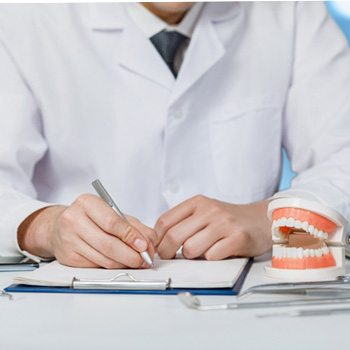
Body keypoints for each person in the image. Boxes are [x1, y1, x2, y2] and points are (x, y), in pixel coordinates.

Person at [0, 2, 349, 268]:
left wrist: (274, 218)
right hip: (71, 307)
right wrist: (44, 227)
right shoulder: (22, 16)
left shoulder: (289, 10)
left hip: (244, 308)